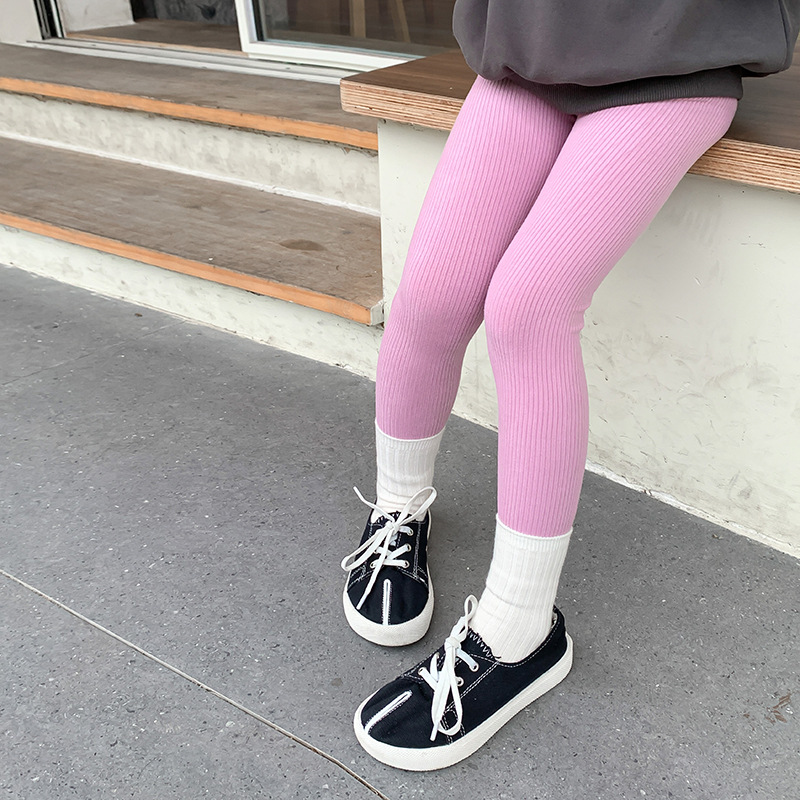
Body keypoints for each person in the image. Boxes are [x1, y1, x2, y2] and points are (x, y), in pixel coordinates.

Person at [340, 1, 800, 772]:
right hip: (529, 47)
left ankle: (520, 631)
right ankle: (398, 509)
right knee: (432, 297)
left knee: (528, 309)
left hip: (672, 56)